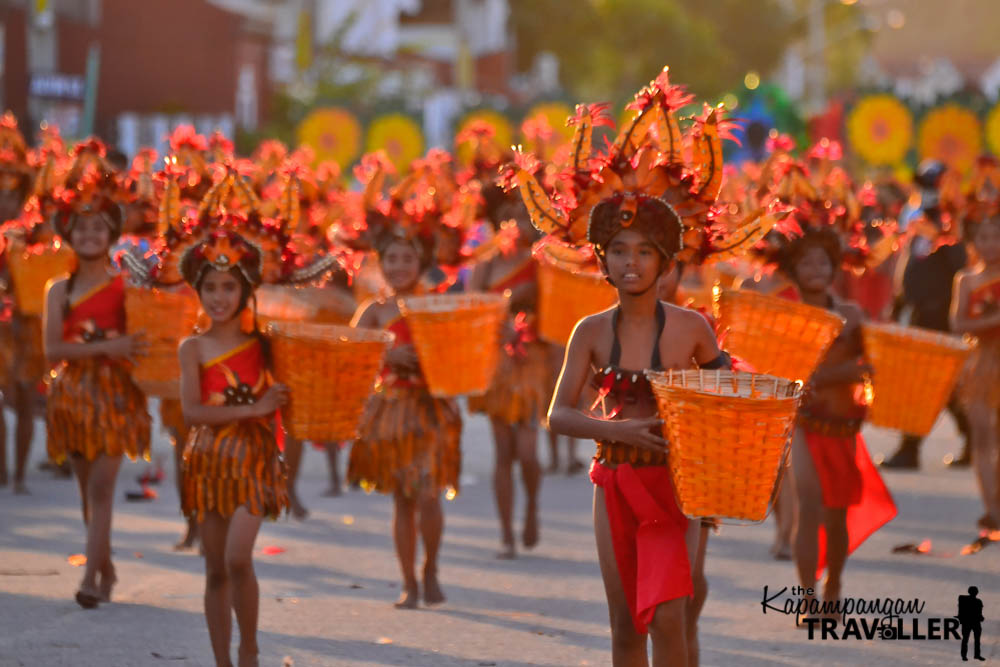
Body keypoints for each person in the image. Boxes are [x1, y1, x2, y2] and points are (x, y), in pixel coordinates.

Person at [523, 73, 755, 666]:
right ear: (602, 260)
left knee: (672, 618)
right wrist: (619, 433)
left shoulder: (694, 330)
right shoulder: (590, 331)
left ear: (665, 260)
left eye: (644, 251)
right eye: (619, 251)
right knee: (626, 625)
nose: (631, 263)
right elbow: (558, 415)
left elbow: (728, 393)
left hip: (681, 488)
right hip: (616, 482)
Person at [178, 228, 290, 667]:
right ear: (198, 290)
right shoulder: (193, 347)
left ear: (246, 290)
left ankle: (249, 647)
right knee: (215, 568)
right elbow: (192, 412)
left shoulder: (267, 345)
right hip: (208, 461)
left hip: (255, 463)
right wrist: (255, 408)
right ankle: (223, 659)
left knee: (238, 557)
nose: (219, 297)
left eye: (229, 287)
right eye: (210, 287)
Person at [43, 171, 151, 609]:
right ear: (69, 233)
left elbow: (143, 341)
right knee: (88, 490)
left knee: (104, 488)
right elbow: (52, 348)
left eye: (98, 227)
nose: (89, 234)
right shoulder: (58, 290)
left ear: (111, 234)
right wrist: (111, 345)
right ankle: (106, 566)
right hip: (72, 395)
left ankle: (90, 575)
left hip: (117, 395)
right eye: (81, 227)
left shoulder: (128, 287)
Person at [348, 205, 462, 608]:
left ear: (422, 262)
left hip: (430, 409)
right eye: (391, 259)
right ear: (380, 263)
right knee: (403, 498)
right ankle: (408, 580)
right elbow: (352, 358)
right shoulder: (373, 311)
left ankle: (430, 570)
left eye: (407, 258)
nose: (399, 266)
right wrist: (385, 354)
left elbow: (458, 355)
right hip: (392, 411)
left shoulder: (436, 307)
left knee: (429, 494)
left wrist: (429, 358)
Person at [780, 226, 897, 619]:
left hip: (842, 424)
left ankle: (833, 587)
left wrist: (846, 373)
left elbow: (873, 365)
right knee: (808, 503)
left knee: (836, 513)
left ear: (835, 268)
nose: (815, 268)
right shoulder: (783, 314)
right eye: (805, 262)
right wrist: (838, 373)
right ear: (792, 270)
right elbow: (783, 372)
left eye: (823, 261)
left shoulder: (851, 314)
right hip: (801, 422)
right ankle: (806, 596)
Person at [468, 196, 548, 558]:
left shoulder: (543, 264)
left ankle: (531, 507)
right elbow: (472, 309)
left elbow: (557, 313)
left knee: (528, 452)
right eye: (510, 219)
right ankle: (505, 534)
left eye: (524, 219)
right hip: (497, 364)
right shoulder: (485, 266)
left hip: (531, 362)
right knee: (503, 452)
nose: (517, 226)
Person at [884, 161, 971, 468]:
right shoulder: (917, 222)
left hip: (940, 317)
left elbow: (962, 266)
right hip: (918, 314)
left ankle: (911, 448)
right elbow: (908, 267)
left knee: (929, 385)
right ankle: (971, 437)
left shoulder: (954, 225)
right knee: (932, 386)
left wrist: (942, 237)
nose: (927, 193)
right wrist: (897, 304)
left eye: (932, 186)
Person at [950, 214, 1000, 531]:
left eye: (996, 237)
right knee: (982, 437)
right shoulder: (966, 279)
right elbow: (958, 324)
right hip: (980, 363)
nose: (989, 244)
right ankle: (991, 507)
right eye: (983, 237)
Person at [957, 586, 985, 661]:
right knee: (971, 640)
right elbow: (979, 613)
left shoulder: (976, 601)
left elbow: (980, 613)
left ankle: (969, 655)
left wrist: (981, 617)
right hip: (971, 623)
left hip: (972, 623)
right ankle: (972, 655)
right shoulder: (977, 601)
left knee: (969, 640)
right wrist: (981, 618)